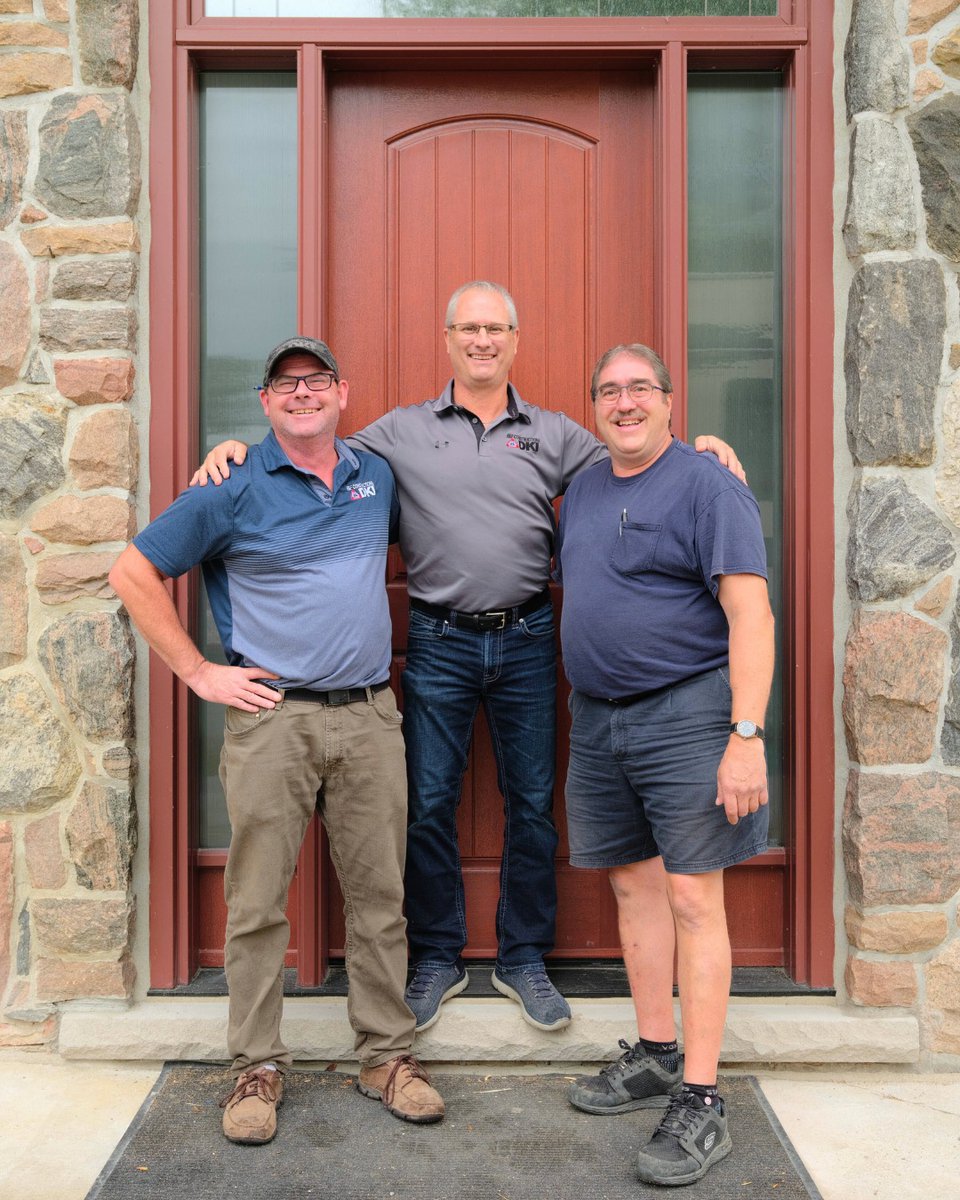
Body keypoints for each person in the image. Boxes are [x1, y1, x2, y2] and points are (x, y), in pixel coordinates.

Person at [194, 284, 744, 1035]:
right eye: (468, 328)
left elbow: (640, 456)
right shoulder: (400, 431)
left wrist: (705, 447)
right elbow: (311, 447)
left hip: (528, 637)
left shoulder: (555, 434)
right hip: (438, 640)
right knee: (427, 802)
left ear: (515, 340)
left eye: (495, 328)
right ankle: (436, 955)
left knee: (532, 803)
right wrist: (234, 450)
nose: (482, 340)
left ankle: (524, 957)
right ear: (448, 339)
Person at [109, 336, 444, 1145]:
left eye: (316, 380)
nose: (302, 394)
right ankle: (255, 1066)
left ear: (342, 392)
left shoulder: (377, 476)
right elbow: (131, 572)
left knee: (381, 900)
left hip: (369, 716)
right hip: (272, 720)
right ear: (264, 403)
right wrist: (198, 672)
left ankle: (387, 1058)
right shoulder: (230, 484)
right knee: (256, 904)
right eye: (285, 384)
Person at [555, 343, 774, 1187]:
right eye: (609, 391)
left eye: (640, 388)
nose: (625, 402)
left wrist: (745, 735)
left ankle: (703, 1100)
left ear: (670, 401)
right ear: (595, 407)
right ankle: (654, 1051)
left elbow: (750, 615)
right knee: (632, 886)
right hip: (598, 717)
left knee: (691, 896)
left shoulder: (708, 485)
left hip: (687, 715)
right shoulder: (584, 488)